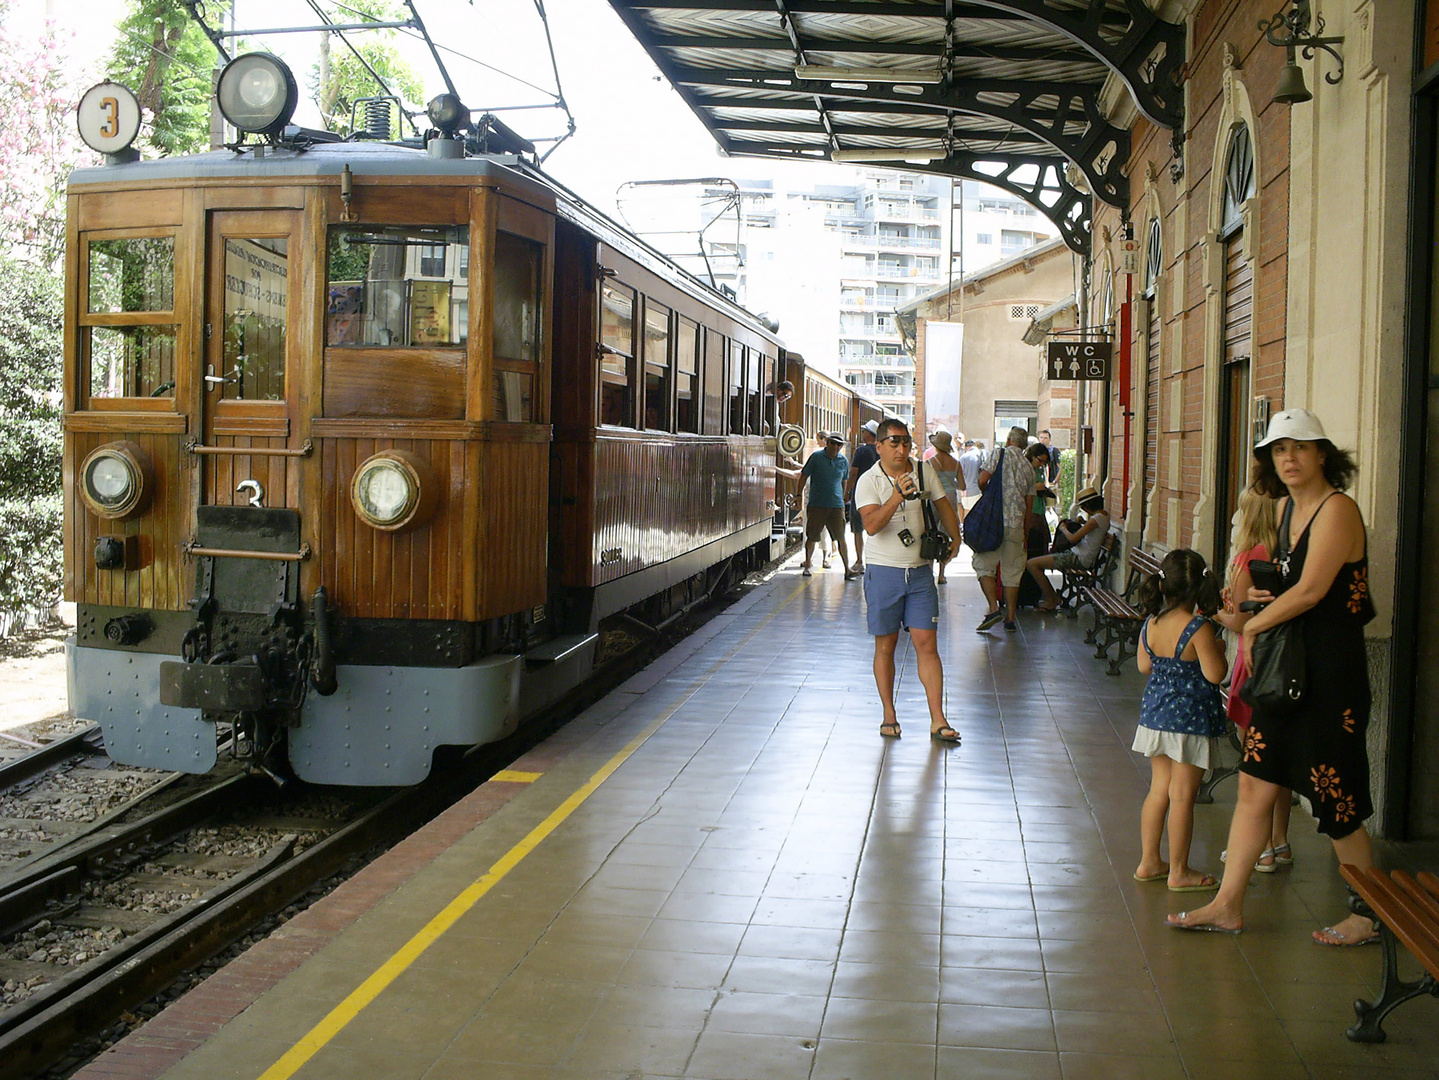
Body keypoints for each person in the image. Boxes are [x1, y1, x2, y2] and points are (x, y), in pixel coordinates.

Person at [1168, 409, 1378, 940]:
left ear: (1322, 454)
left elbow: (1312, 591)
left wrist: (1256, 624)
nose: (1288, 459)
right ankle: (1226, 904)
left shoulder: (1338, 510)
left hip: (1329, 677)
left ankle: (1370, 912)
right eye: (1278, 450)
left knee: (1337, 801)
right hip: (1284, 675)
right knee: (1255, 787)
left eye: (1299, 448)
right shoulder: (1283, 512)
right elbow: (1292, 587)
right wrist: (1262, 597)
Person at [855, 419, 962, 742]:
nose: (901, 449)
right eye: (894, 443)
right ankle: (889, 714)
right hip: (883, 571)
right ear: (880, 446)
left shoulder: (923, 469)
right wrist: (897, 496)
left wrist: (956, 537)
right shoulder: (868, 481)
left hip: (919, 572)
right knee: (885, 644)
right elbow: (871, 526)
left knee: (927, 645)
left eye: (906, 443)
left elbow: (944, 504)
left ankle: (938, 719)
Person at [1132, 549, 1228, 892]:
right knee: (1184, 795)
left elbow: (1144, 666)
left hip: (1155, 716)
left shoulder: (1152, 623)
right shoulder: (1198, 627)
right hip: (1189, 722)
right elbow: (1215, 675)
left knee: (1159, 789)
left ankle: (1148, 861)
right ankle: (1179, 870)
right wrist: (1218, 649)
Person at [1213, 484, 1292, 874]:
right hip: (1281, 662)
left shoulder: (1247, 558)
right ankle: (1280, 840)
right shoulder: (1279, 554)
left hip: (1253, 661)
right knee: (1277, 758)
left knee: (1255, 759)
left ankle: (1258, 847)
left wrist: (1216, 614)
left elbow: (1242, 622)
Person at [973, 427, 1034, 633]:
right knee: (1013, 571)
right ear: (1024, 446)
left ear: (1009, 440)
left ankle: (993, 607)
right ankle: (1010, 618)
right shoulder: (1028, 467)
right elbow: (1029, 504)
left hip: (994, 521)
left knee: (984, 565)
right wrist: (1025, 532)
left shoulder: (998, 454)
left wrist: (988, 496)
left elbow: (982, 480)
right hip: (1016, 525)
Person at [1026, 485, 1111, 612]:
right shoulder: (1103, 516)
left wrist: (1063, 529)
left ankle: (1051, 599)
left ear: (1088, 506)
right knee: (1035, 563)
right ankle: (1052, 598)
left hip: (1078, 558)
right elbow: (1094, 533)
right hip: (1079, 555)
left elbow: (1073, 539)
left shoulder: (1095, 520)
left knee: (1032, 564)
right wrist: (1083, 523)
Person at [796, 432, 854, 579]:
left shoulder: (843, 461)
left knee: (841, 538)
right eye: (833, 443)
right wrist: (798, 495)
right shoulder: (816, 457)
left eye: (839, 444)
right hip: (817, 504)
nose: (835, 446)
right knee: (812, 536)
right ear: (827, 443)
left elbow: (844, 481)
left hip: (836, 505)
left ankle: (847, 569)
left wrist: (843, 497)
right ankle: (808, 565)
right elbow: (803, 476)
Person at [926, 428, 965, 583]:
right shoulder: (956, 464)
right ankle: (942, 573)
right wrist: (951, 483)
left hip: (934, 498)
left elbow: (926, 483)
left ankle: (929, 570)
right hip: (950, 498)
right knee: (946, 535)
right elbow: (962, 486)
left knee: (931, 532)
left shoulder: (929, 463)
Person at [1018, 442, 1053, 608]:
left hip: (1038, 515)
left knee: (1037, 553)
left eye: (1044, 462)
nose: (1042, 465)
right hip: (1029, 516)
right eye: (1040, 461)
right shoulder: (1023, 469)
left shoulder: (1038, 471)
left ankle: (1034, 593)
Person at [845, 420, 880, 575]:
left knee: (858, 529)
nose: (862, 433)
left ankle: (860, 561)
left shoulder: (861, 451)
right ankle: (875, 560)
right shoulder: (881, 451)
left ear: (870, 434)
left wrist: (847, 492)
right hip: (878, 494)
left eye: (864, 431)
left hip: (861, 494)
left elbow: (853, 473)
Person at [958, 439, 985, 511]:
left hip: (966, 491)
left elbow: (959, 475)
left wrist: (961, 490)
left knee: (966, 512)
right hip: (977, 490)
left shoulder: (963, 457)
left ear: (967, 447)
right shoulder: (980, 456)